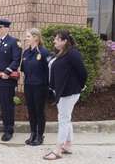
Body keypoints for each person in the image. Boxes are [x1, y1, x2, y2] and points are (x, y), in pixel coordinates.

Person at [43, 29, 87, 160]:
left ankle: (58, 150)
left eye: (56, 39)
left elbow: (83, 72)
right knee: (66, 118)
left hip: (69, 92)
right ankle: (67, 145)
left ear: (64, 41)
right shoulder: (61, 53)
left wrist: (80, 86)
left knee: (63, 119)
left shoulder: (73, 53)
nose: (54, 41)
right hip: (61, 92)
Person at [20, 28, 49, 146]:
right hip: (28, 85)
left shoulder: (43, 52)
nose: (26, 38)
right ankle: (32, 133)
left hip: (40, 86)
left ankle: (39, 135)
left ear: (36, 38)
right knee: (31, 110)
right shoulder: (26, 52)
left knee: (39, 111)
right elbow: (23, 69)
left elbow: (49, 70)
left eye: (28, 36)